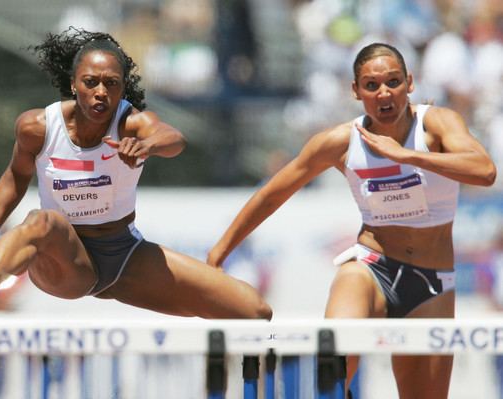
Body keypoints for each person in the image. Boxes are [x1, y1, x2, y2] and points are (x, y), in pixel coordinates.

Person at [207, 42, 496, 398]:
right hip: (370, 267)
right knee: (332, 365)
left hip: (431, 281)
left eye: (393, 82)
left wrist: (408, 155)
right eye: (371, 85)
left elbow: (484, 171)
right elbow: (272, 193)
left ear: (410, 82)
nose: (384, 93)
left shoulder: (437, 123)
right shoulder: (340, 141)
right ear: (356, 91)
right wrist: (219, 252)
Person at [0, 27, 272, 321]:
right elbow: (15, 177)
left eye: (111, 84)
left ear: (122, 88)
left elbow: (175, 139)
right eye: (91, 82)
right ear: (73, 84)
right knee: (42, 222)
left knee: (254, 310)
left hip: (124, 254)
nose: (101, 92)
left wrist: (148, 146)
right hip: (65, 260)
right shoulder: (37, 127)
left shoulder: (131, 124)